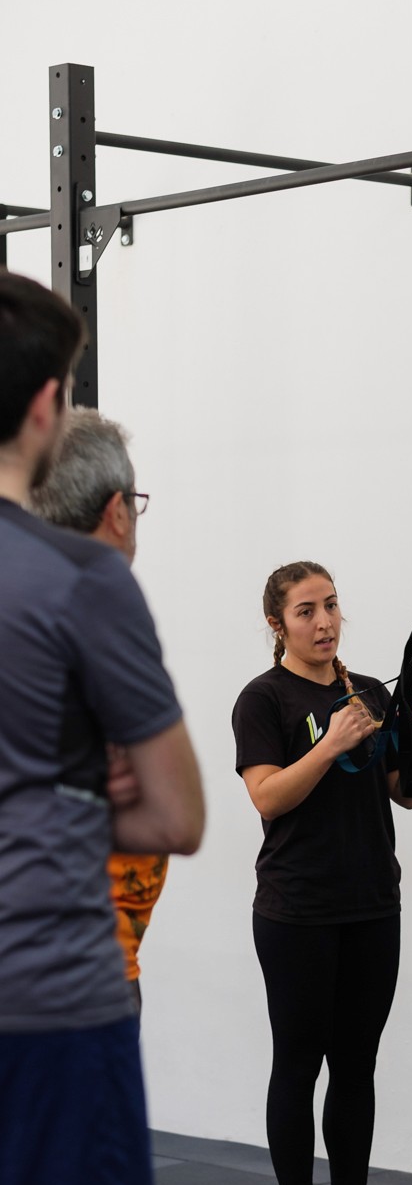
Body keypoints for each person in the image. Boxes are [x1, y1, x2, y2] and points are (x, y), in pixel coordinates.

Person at [0, 271, 205, 1185]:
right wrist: (81, 786)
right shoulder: (85, 580)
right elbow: (177, 814)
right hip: (46, 1000)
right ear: (46, 406)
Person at [231, 560, 412, 1185]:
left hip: (373, 904)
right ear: (277, 624)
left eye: (331, 605)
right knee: (297, 1066)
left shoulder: (372, 691)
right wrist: (327, 745)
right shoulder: (264, 699)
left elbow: (407, 796)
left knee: (356, 1065)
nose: (324, 622)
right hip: (297, 911)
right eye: (306, 611)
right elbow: (266, 797)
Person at [30, 405, 167, 1013]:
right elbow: (180, 818)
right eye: (135, 502)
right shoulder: (103, 616)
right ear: (117, 511)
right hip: (82, 969)